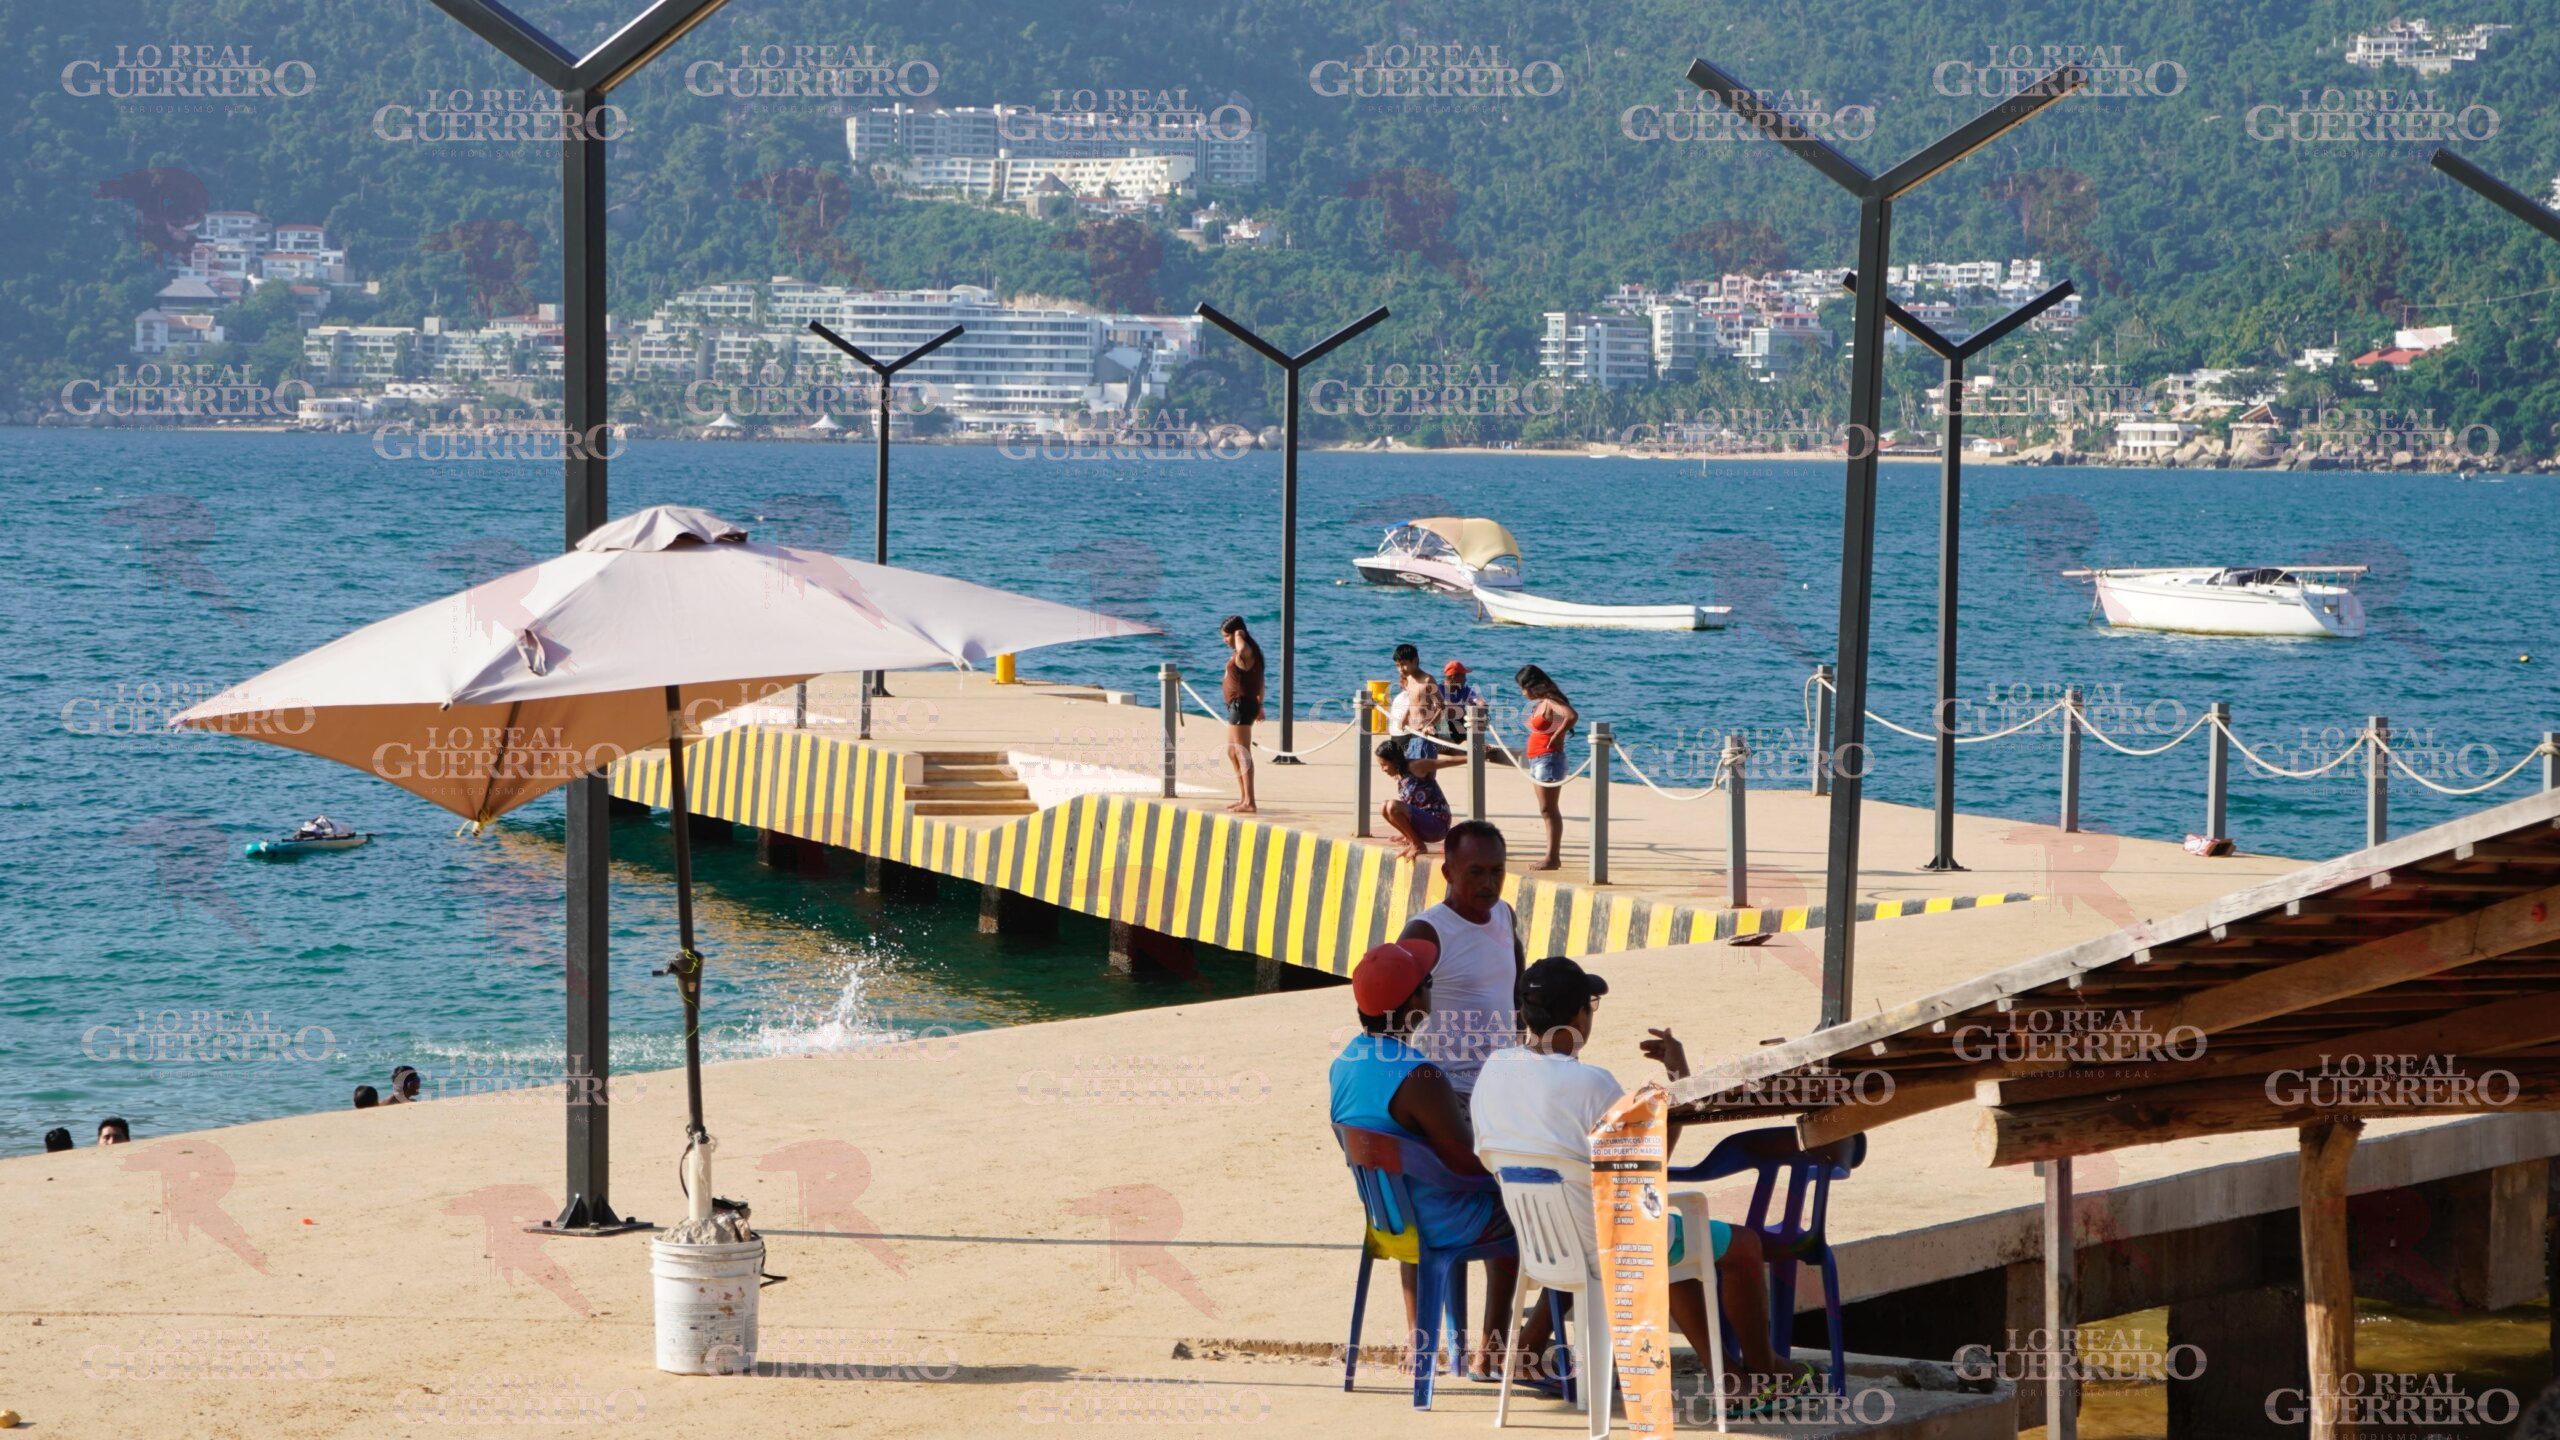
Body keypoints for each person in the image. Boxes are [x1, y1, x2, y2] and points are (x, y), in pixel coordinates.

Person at [1470, 955, 1804, 1399]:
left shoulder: (1495, 1069)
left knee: (1666, 1239)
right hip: (1608, 1243)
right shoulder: (1592, 1083)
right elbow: (1649, 1166)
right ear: (1577, 1016)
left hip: (1540, 1241)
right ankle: (1762, 1374)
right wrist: (1678, 1080)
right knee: (1741, 1246)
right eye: (1590, 1004)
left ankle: (1729, 1375)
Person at [1328, 939, 1519, 1381]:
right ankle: (1492, 1349)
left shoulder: (1344, 1063)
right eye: (1427, 984)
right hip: (1440, 1225)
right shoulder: (1421, 1075)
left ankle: (1420, 1340)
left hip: (1388, 1222)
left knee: (1416, 1188)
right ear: (1415, 1001)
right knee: (1518, 1208)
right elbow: (1470, 1165)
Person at [1397, 820, 1520, 1120]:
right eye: (1476, 872)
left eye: (1497, 872)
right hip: (1452, 1092)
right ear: (1448, 873)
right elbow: (1395, 1016)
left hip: (1505, 1085)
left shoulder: (1504, 913)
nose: (1489, 883)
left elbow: (1517, 989)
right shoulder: (1427, 932)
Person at [1514, 665, 1579, 871]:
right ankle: (1551, 856)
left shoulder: (1551, 701)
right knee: (1546, 810)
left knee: (1549, 810)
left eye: (1522, 688)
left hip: (1548, 760)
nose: (1522, 693)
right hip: (1538, 759)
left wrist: (1557, 734)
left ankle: (1552, 857)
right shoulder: (1544, 701)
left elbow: (1571, 716)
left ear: (1532, 686)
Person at [1376, 738, 1459, 860]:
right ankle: (1412, 840)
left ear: (1394, 761)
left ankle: (1418, 844)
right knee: (1383, 806)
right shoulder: (1399, 775)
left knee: (1392, 806)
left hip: (1438, 825)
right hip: (1424, 824)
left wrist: (1476, 756)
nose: (1383, 770)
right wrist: (1405, 832)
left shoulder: (1416, 766)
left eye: (1384, 765)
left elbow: (1447, 761)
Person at [1218, 616, 1263, 815]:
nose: (1225, 640)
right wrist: (1260, 704)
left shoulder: (1246, 652)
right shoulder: (1246, 653)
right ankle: (1243, 797)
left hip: (1242, 705)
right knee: (1232, 752)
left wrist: (1238, 635)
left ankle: (1250, 801)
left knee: (1242, 753)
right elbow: (1260, 681)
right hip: (1240, 706)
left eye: (1227, 636)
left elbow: (1243, 650)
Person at [1387, 643, 1446, 763]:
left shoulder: (1427, 680)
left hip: (1426, 735)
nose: (1400, 669)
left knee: (1424, 775)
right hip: (1412, 733)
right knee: (1413, 773)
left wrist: (1429, 724)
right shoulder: (1408, 679)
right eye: (1397, 665)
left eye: (1404, 664)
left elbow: (1442, 706)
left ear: (1415, 661)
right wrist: (1405, 717)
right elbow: (1414, 702)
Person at [1439, 660, 1481, 745]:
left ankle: (1473, 745)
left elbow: (1478, 700)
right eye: (1463, 676)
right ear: (1454, 677)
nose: (1465, 679)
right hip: (1443, 726)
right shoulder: (1438, 690)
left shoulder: (1465, 690)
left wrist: (1482, 706)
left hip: (1459, 725)